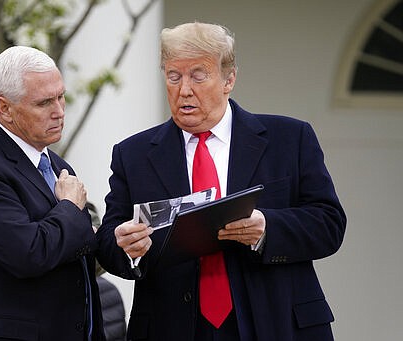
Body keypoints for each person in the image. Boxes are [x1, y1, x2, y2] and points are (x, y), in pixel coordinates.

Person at [96, 22, 346, 341]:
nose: (184, 89)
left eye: (198, 76)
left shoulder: (289, 139)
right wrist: (126, 246)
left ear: (229, 79)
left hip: (275, 322)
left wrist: (267, 227)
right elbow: (107, 241)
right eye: (174, 76)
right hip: (171, 326)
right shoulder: (132, 154)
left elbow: (329, 224)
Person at [0, 45, 105, 340]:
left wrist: (111, 240)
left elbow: (73, 254)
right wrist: (69, 207)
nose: (59, 112)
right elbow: (28, 253)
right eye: (44, 103)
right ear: (3, 108)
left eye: (61, 97)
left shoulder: (55, 163)